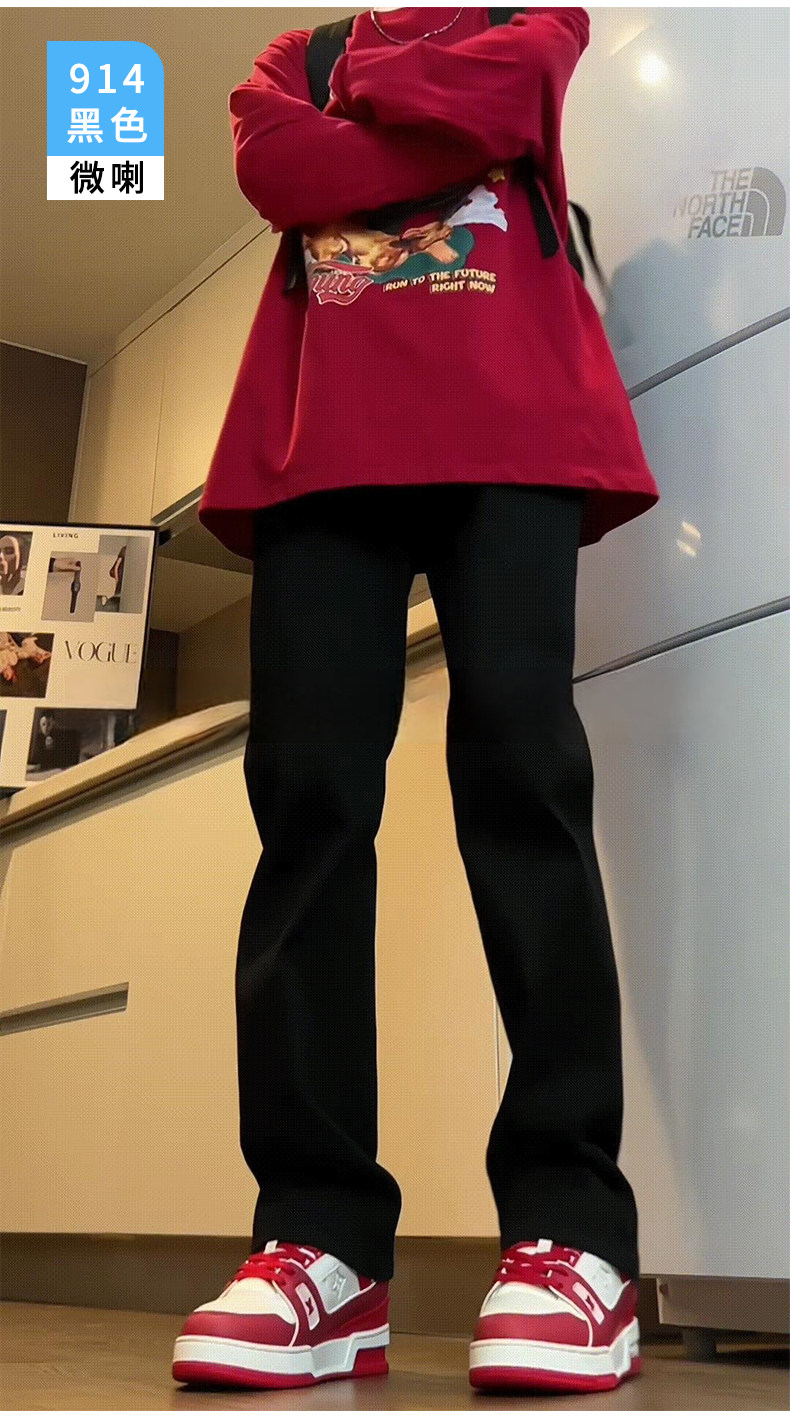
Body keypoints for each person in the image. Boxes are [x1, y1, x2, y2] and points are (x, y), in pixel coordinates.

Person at [173, 6, 659, 1396]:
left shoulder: (523, 19)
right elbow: (283, 170)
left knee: (524, 781)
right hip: (316, 449)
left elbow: (516, 89)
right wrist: (425, 118)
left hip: (511, 425)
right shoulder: (297, 57)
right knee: (307, 812)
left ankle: (572, 1234)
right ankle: (317, 1243)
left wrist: (375, 103)